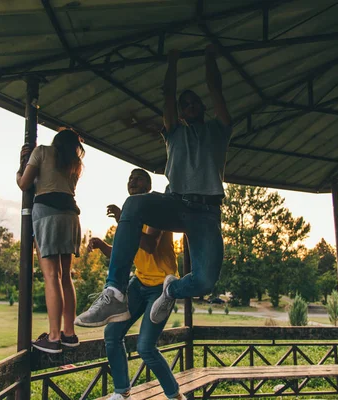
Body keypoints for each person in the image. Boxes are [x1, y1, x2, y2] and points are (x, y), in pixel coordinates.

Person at [76, 44, 231, 327]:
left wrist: (209, 57)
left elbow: (216, 89)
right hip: (175, 203)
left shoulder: (219, 130)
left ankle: (171, 289)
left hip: (207, 214)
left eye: (195, 101)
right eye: (185, 104)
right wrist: (173, 60)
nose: (190, 106)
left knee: (205, 281)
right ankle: (114, 292)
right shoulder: (173, 132)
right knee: (134, 203)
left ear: (203, 106)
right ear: (181, 113)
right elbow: (168, 95)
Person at [88, 168, 184, 400]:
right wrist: (102, 245)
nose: (133, 180)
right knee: (112, 333)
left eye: (138, 177)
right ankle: (122, 391)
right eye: (130, 178)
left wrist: (124, 220)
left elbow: (149, 243)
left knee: (145, 347)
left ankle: (174, 395)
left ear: (148, 186)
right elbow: (122, 253)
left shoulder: (155, 209)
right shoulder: (129, 219)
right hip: (139, 283)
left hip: (162, 288)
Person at [17, 128, 85, 352]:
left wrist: (21, 166)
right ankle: (69, 333)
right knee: (65, 276)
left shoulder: (42, 152)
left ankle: (54, 338)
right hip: (70, 215)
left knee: (51, 276)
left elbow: (24, 184)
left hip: (47, 213)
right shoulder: (74, 165)